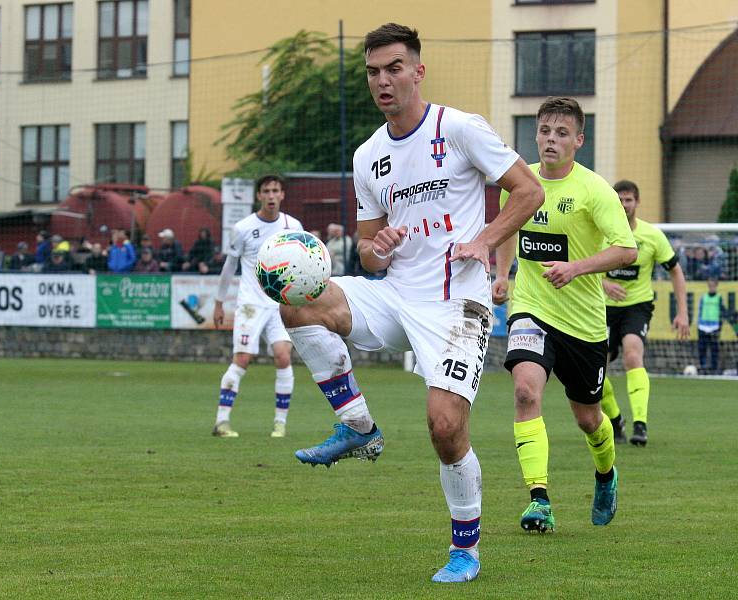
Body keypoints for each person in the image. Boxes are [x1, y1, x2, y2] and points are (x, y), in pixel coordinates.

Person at [279, 24, 543, 583]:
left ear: (417, 71)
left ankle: (465, 550)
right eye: (374, 72)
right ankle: (357, 427)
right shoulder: (369, 155)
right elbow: (370, 251)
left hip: (456, 303)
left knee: (445, 428)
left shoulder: (460, 128)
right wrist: (379, 249)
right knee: (296, 299)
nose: (383, 80)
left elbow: (528, 190)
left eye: (394, 67)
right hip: (395, 295)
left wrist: (485, 240)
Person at [493, 97, 637, 535]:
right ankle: (539, 500)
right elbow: (506, 227)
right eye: (544, 131)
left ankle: (606, 473)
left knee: (588, 419)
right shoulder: (519, 183)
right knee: (524, 392)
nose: (550, 140)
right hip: (532, 310)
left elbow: (626, 248)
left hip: (584, 324)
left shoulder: (595, 190)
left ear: (579, 140)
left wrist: (576, 268)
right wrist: (502, 275)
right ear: (535, 134)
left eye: (561, 133)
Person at [212, 174, 304, 439]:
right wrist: (219, 303)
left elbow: (302, 260)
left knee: (283, 356)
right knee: (242, 358)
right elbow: (230, 266)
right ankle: (221, 421)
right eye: (267, 191)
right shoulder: (243, 228)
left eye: (276, 190)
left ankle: (280, 423)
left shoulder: (293, 225)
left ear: (282, 195)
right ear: (259, 196)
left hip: (281, 304)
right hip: (251, 304)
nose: (272, 195)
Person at [599, 180, 690, 447]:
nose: (624, 205)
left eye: (629, 200)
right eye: (620, 199)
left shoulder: (652, 235)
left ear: (637, 203)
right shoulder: (601, 233)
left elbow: (675, 270)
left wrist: (682, 312)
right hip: (601, 308)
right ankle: (615, 420)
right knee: (596, 369)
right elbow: (581, 265)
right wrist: (604, 283)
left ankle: (640, 424)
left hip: (637, 307)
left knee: (632, 353)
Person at [697, 278, 727, 374]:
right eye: (710, 285)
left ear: (716, 286)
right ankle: (703, 367)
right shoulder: (704, 297)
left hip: (714, 327)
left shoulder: (719, 297)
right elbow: (700, 311)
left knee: (714, 349)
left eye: (713, 285)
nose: (711, 287)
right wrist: (698, 324)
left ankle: (714, 368)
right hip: (703, 326)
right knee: (702, 348)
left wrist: (720, 326)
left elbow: (722, 312)